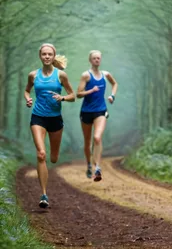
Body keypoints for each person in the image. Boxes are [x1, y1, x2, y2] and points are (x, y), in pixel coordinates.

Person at [24, 43, 75, 208]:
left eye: (49, 54)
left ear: (53, 57)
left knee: (53, 158)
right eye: (44, 54)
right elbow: (27, 90)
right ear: (40, 56)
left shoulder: (61, 75)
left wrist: (63, 98)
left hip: (55, 120)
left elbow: (73, 95)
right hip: (38, 117)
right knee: (41, 154)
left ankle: (54, 156)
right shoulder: (33, 75)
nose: (46, 57)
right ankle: (44, 195)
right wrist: (28, 99)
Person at [76, 50, 117, 182]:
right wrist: (91, 91)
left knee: (97, 137)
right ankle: (89, 164)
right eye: (94, 58)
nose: (97, 60)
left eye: (98, 58)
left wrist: (112, 95)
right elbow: (78, 94)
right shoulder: (86, 76)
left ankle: (97, 167)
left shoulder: (106, 75)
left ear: (101, 60)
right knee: (88, 142)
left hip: (101, 110)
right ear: (90, 60)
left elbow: (114, 84)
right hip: (86, 112)